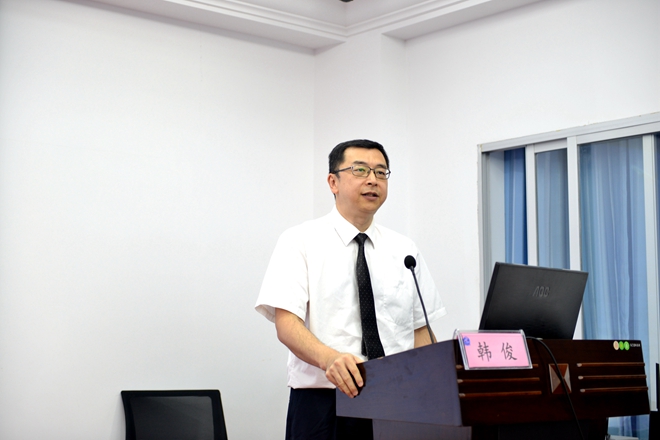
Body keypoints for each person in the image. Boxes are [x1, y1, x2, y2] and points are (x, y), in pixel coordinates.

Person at [255, 139, 446, 440]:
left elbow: (420, 330)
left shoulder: (404, 250)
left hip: (397, 400)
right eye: (360, 170)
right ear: (333, 182)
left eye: (381, 172)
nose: (372, 179)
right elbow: (287, 324)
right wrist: (330, 358)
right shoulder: (300, 241)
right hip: (324, 403)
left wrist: (433, 379)